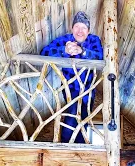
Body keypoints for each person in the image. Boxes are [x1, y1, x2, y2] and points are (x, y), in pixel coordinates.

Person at [40, 11, 103, 143]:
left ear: (88, 30)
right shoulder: (64, 40)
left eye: (83, 28)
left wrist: (83, 51)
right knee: (71, 115)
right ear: (72, 28)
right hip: (70, 87)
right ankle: (66, 145)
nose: (80, 31)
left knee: (84, 118)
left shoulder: (94, 40)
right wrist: (64, 51)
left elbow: (100, 57)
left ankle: (80, 147)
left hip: (88, 89)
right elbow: (44, 52)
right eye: (77, 27)